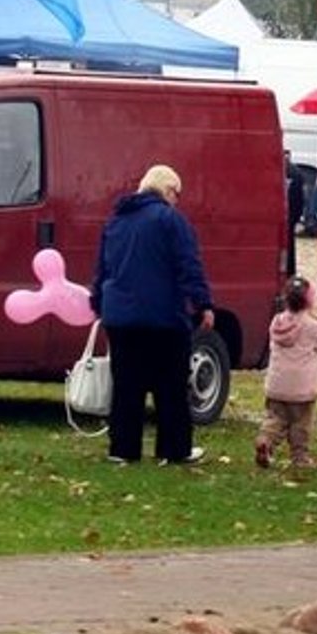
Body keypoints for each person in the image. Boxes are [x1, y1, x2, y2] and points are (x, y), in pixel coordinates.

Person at [92, 164, 215, 466]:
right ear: (168, 190)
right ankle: (174, 449)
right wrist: (203, 304)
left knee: (126, 386)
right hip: (162, 316)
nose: (178, 200)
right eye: (178, 194)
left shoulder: (116, 221)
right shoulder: (171, 221)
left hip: (120, 317)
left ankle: (123, 449)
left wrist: (99, 303)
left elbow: (103, 268)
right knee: (171, 386)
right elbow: (188, 265)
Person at [258, 276, 317, 471]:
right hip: (302, 388)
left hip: (277, 385)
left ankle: (266, 441)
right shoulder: (311, 326)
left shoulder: (277, 322)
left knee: (275, 419)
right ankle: (300, 457)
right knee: (301, 424)